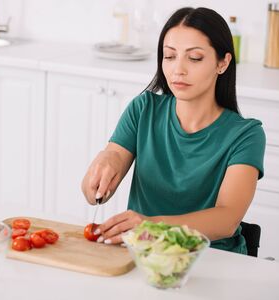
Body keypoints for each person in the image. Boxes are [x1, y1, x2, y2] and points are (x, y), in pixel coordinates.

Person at [81, 7, 265, 254]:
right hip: (145, 255)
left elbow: (227, 219)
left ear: (222, 63)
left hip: (212, 259)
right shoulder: (143, 109)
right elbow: (107, 167)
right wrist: (103, 166)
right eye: (169, 56)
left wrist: (150, 225)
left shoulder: (246, 135)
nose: (178, 69)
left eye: (195, 58)